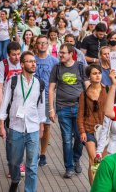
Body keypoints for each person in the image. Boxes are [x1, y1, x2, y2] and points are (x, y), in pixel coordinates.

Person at [0, 51, 46, 192]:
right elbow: (5, 103)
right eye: (30, 61)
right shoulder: (13, 81)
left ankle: (29, 190)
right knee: (14, 162)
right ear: (22, 64)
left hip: (33, 129)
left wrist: (41, 125)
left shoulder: (39, 84)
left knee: (32, 164)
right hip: (15, 128)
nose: (33, 64)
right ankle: (15, 179)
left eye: (34, 62)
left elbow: (41, 106)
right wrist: (1, 124)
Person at [49, 43, 87, 178]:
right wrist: (51, 109)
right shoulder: (57, 68)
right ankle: (69, 167)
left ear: (71, 54)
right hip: (62, 108)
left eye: (63, 52)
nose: (60, 55)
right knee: (66, 139)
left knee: (79, 137)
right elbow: (51, 89)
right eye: (60, 52)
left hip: (79, 108)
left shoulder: (80, 67)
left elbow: (87, 87)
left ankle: (76, 158)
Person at [0, 41, 23, 177]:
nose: (17, 57)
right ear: (8, 54)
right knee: (10, 137)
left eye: (18, 54)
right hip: (9, 105)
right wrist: (2, 107)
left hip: (22, 105)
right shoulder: (3, 65)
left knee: (22, 135)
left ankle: (20, 163)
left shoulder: (24, 63)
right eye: (14, 55)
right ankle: (11, 164)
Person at [77, 64, 107, 185]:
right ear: (89, 76)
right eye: (94, 73)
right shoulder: (84, 94)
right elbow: (79, 115)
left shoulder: (108, 90)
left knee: (103, 162)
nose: (97, 75)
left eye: (99, 73)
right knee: (94, 160)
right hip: (89, 129)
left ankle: (101, 185)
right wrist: (82, 131)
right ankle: (94, 187)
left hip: (104, 130)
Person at [34, 35, 59, 167]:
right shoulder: (32, 59)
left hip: (48, 97)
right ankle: (34, 152)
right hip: (34, 97)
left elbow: (57, 80)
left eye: (44, 43)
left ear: (48, 45)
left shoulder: (54, 61)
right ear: (36, 45)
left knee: (47, 125)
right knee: (34, 125)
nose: (42, 45)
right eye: (40, 43)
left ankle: (43, 154)